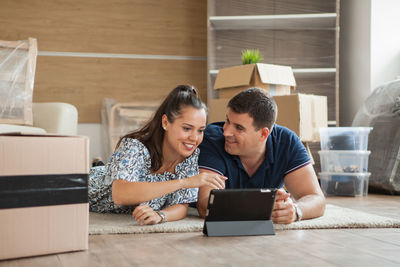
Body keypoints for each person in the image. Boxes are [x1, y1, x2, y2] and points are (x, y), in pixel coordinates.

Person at [89, 85, 227, 225]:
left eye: (200, 130)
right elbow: (120, 194)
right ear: (165, 122)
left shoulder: (190, 157)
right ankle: (98, 165)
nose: (194, 138)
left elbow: (181, 206)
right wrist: (184, 182)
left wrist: (160, 215)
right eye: (187, 128)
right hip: (83, 190)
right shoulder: (135, 146)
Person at [197, 88, 325, 224]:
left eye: (239, 128)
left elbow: (317, 199)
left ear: (263, 134)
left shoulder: (287, 142)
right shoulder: (212, 139)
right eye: (227, 121)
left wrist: (295, 210)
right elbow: (206, 206)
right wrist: (262, 206)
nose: (226, 132)